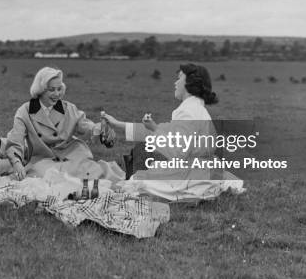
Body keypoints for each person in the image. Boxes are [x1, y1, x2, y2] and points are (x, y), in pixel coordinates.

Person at [102, 63, 244, 201]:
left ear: (189, 83)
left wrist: (155, 130)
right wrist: (119, 124)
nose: (175, 83)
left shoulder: (187, 112)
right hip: (204, 171)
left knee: (135, 183)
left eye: (179, 78)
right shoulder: (196, 108)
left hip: (193, 177)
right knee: (148, 173)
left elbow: (179, 153)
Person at [5, 67, 125, 182]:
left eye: (59, 89)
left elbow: (86, 126)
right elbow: (15, 140)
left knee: (95, 174)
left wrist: (100, 128)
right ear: (40, 90)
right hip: (42, 160)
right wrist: (17, 163)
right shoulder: (24, 111)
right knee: (42, 179)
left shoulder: (69, 108)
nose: (57, 94)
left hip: (73, 156)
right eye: (51, 90)